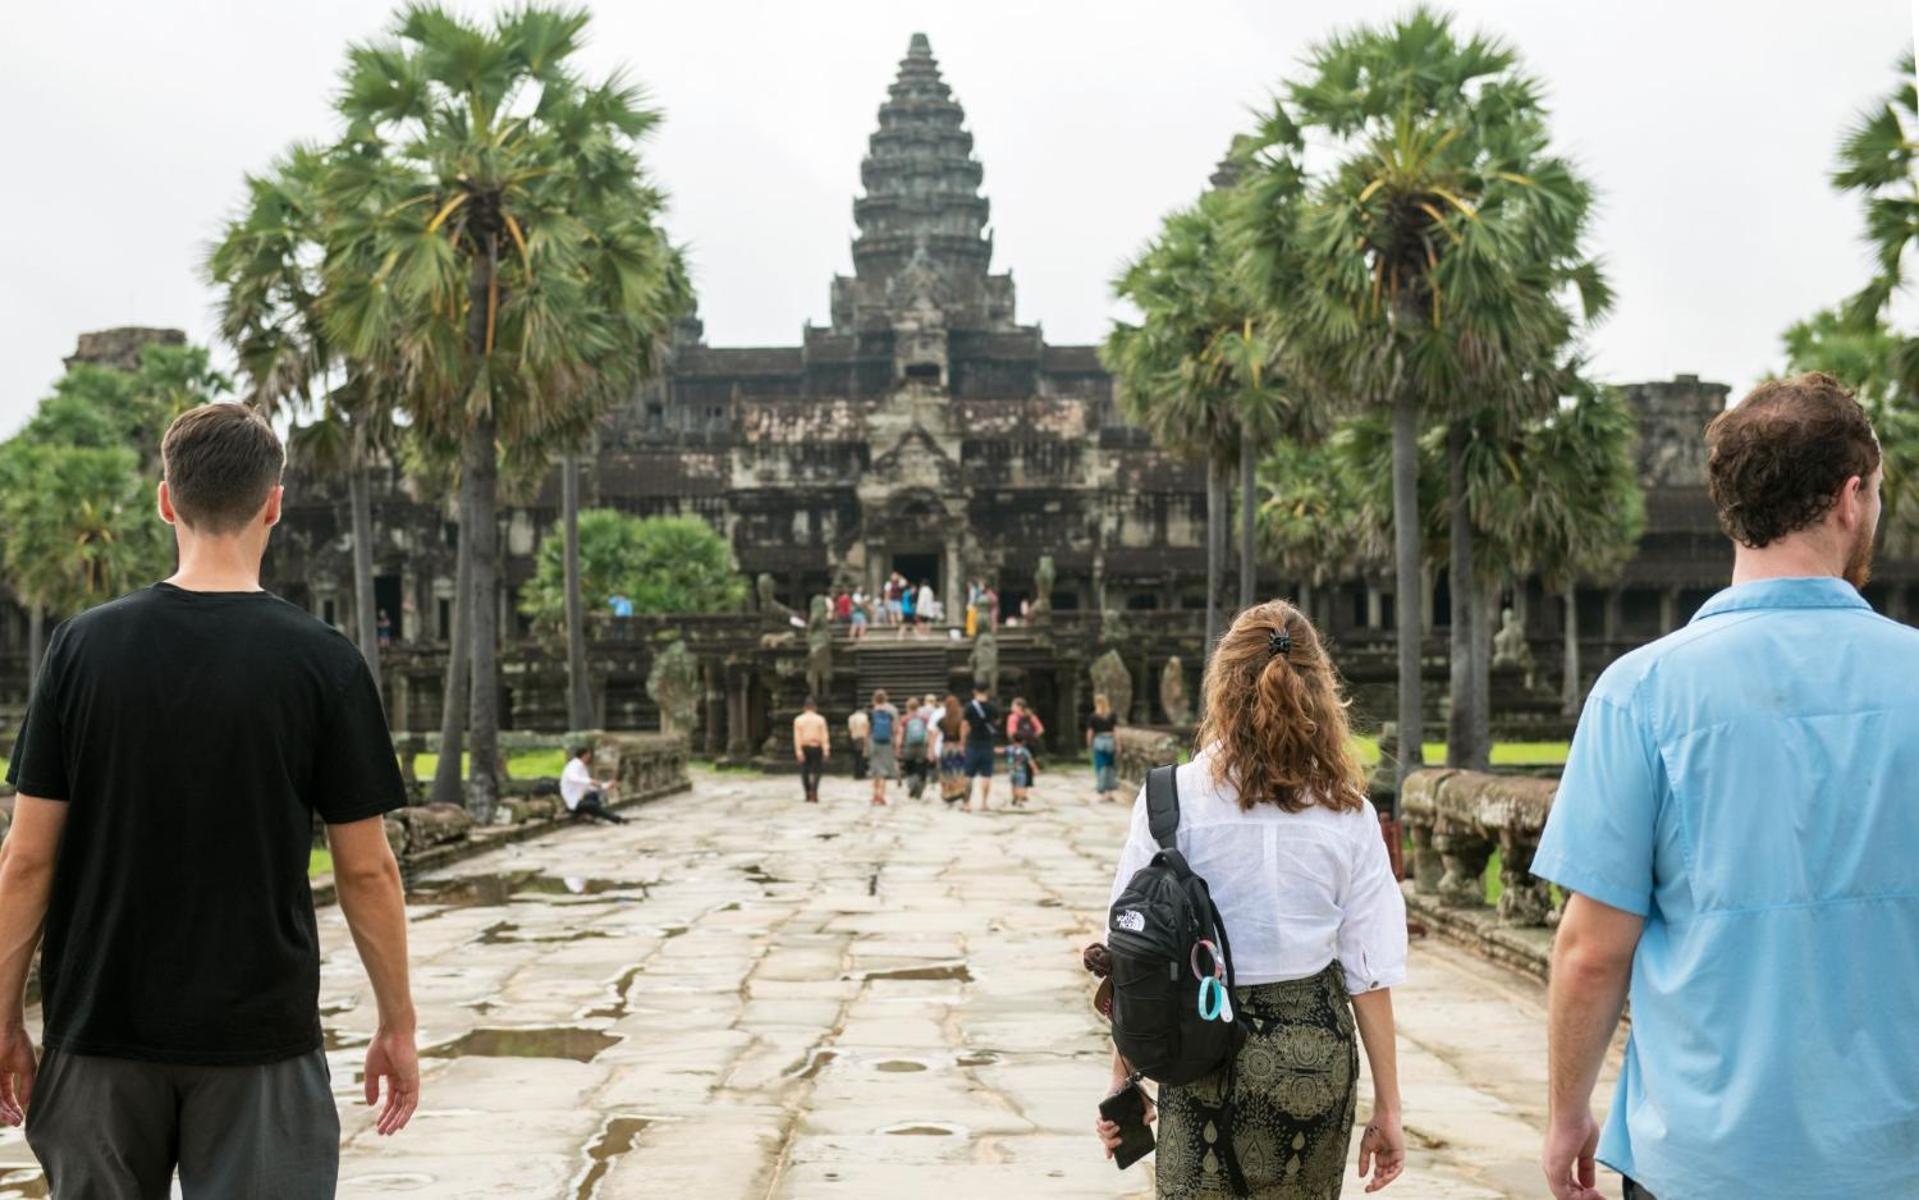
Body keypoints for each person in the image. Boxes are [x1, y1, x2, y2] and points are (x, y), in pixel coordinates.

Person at [0, 403, 418, 1197]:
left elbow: (26, 858)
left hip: (99, 1031)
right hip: (258, 1038)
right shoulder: (323, 663)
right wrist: (397, 1021)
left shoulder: (82, 648)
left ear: (166, 501)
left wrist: (1, 1017)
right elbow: (367, 873)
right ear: (274, 504)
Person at [1534, 373, 1919, 1200]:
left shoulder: (1641, 691)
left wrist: (1567, 1111)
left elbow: (1592, 951)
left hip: (1701, 1156)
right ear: (1850, 498)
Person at [1096, 600, 1406, 1196]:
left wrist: (1123, 1080)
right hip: (1311, 1054)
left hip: (1196, 1046)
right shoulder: (1349, 813)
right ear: (1320, 690)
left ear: (1221, 686)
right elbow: (1370, 972)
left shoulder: (1170, 799)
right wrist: (1389, 1108)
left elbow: (1134, 952)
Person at [561, 744, 627, 824]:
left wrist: (606, 785)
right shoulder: (574, 765)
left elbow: (588, 786)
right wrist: (591, 781)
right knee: (592, 805)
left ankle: (587, 815)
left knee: (594, 795)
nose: (590, 757)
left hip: (579, 798)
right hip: (573, 802)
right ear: (584, 755)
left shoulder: (581, 766)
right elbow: (574, 778)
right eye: (589, 755)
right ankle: (616, 819)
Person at [961, 682, 1000, 811]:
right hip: (987, 743)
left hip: (973, 743)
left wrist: (962, 741)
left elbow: (965, 725)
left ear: (974, 691)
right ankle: (984, 803)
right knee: (986, 775)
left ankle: (967, 804)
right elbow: (996, 722)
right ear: (987, 691)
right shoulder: (993, 707)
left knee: (968, 775)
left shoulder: (969, 707)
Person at [792, 696, 830, 804]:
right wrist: (826, 749)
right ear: (815, 707)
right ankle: (814, 790)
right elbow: (824, 736)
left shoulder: (798, 720)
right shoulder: (820, 719)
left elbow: (797, 737)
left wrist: (798, 751)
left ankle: (808, 792)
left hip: (804, 746)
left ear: (804, 708)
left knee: (804, 771)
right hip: (817, 746)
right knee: (817, 771)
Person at [866, 690, 901, 807]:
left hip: (873, 742)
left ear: (874, 700)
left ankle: (875, 795)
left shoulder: (871, 713)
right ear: (886, 699)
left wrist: (866, 746)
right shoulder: (890, 713)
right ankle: (881, 795)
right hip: (887, 743)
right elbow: (895, 729)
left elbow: (867, 730)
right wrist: (896, 744)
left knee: (875, 769)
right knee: (883, 770)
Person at [1086, 692, 1121, 803]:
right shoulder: (1112, 715)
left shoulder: (1093, 717)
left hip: (1099, 742)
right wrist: (1118, 744)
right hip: (1110, 741)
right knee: (1110, 767)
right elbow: (1115, 731)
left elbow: (1090, 732)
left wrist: (1089, 744)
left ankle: (1103, 792)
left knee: (1101, 767)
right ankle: (1110, 792)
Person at [936, 695, 969, 806]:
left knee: (946, 771)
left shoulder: (942, 721)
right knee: (958, 770)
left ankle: (948, 793)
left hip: (945, 748)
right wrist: (962, 745)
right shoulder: (961, 720)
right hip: (956, 747)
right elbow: (963, 735)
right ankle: (959, 790)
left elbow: (936, 733)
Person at [900, 697, 933, 799]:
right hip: (922, 746)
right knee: (921, 766)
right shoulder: (924, 719)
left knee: (910, 767)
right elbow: (929, 732)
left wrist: (899, 746)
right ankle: (920, 787)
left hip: (909, 746)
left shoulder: (905, 719)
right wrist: (929, 746)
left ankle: (912, 784)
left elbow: (900, 734)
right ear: (918, 707)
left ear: (907, 707)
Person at [1006, 732, 1037, 807]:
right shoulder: (1024, 750)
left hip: (1012, 771)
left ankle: (1014, 798)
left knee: (1013, 785)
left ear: (1012, 740)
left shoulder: (1009, 748)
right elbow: (1030, 760)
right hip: (1021, 772)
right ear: (1023, 741)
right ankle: (1019, 801)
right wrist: (1035, 768)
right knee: (1021, 786)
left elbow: (1000, 750)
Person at [847, 706, 871, 780]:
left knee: (856, 756)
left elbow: (850, 729)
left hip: (854, 737)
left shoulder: (851, 717)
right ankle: (861, 773)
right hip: (862, 737)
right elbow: (867, 727)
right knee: (862, 756)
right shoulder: (864, 717)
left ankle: (856, 773)